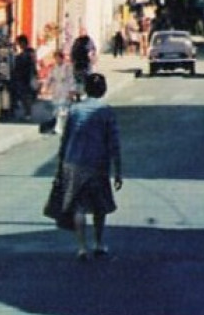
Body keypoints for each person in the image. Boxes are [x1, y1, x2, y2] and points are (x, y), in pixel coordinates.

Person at [53, 71, 122, 261]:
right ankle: (99, 244)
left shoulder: (75, 110)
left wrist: (60, 164)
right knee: (99, 207)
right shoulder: (106, 111)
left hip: (73, 162)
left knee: (79, 207)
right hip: (98, 164)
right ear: (103, 90)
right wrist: (118, 171)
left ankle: (82, 247)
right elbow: (113, 142)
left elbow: (65, 138)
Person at [45, 47, 76, 136]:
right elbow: (49, 78)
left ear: (62, 58)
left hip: (65, 90)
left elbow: (71, 79)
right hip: (56, 90)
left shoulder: (67, 68)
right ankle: (61, 127)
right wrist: (46, 87)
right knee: (56, 110)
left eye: (58, 58)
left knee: (61, 110)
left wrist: (71, 91)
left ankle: (58, 128)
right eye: (55, 58)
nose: (57, 60)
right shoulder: (53, 68)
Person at [9, 35, 38, 121]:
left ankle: (28, 114)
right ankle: (27, 113)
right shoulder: (27, 52)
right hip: (23, 77)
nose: (17, 45)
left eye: (18, 43)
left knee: (26, 96)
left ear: (23, 43)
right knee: (24, 96)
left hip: (25, 77)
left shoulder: (27, 53)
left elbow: (28, 65)